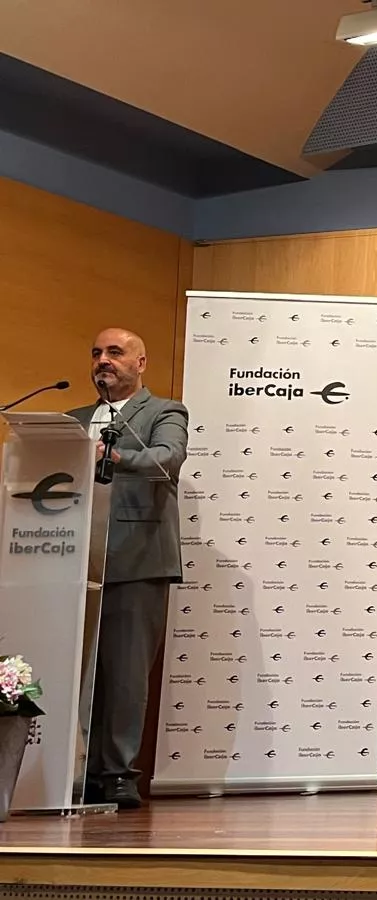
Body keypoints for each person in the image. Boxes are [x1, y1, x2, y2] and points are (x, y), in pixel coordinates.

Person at [68, 327, 188, 809]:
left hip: (136, 559)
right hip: (68, 559)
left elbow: (168, 458)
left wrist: (113, 455)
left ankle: (116, 774)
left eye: (115, 353)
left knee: (123, 673)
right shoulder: (71, 419)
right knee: (72, 669)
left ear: (140, 364)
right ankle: (68, 767)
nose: (103, 360)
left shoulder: (164, 412)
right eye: (96, 352)